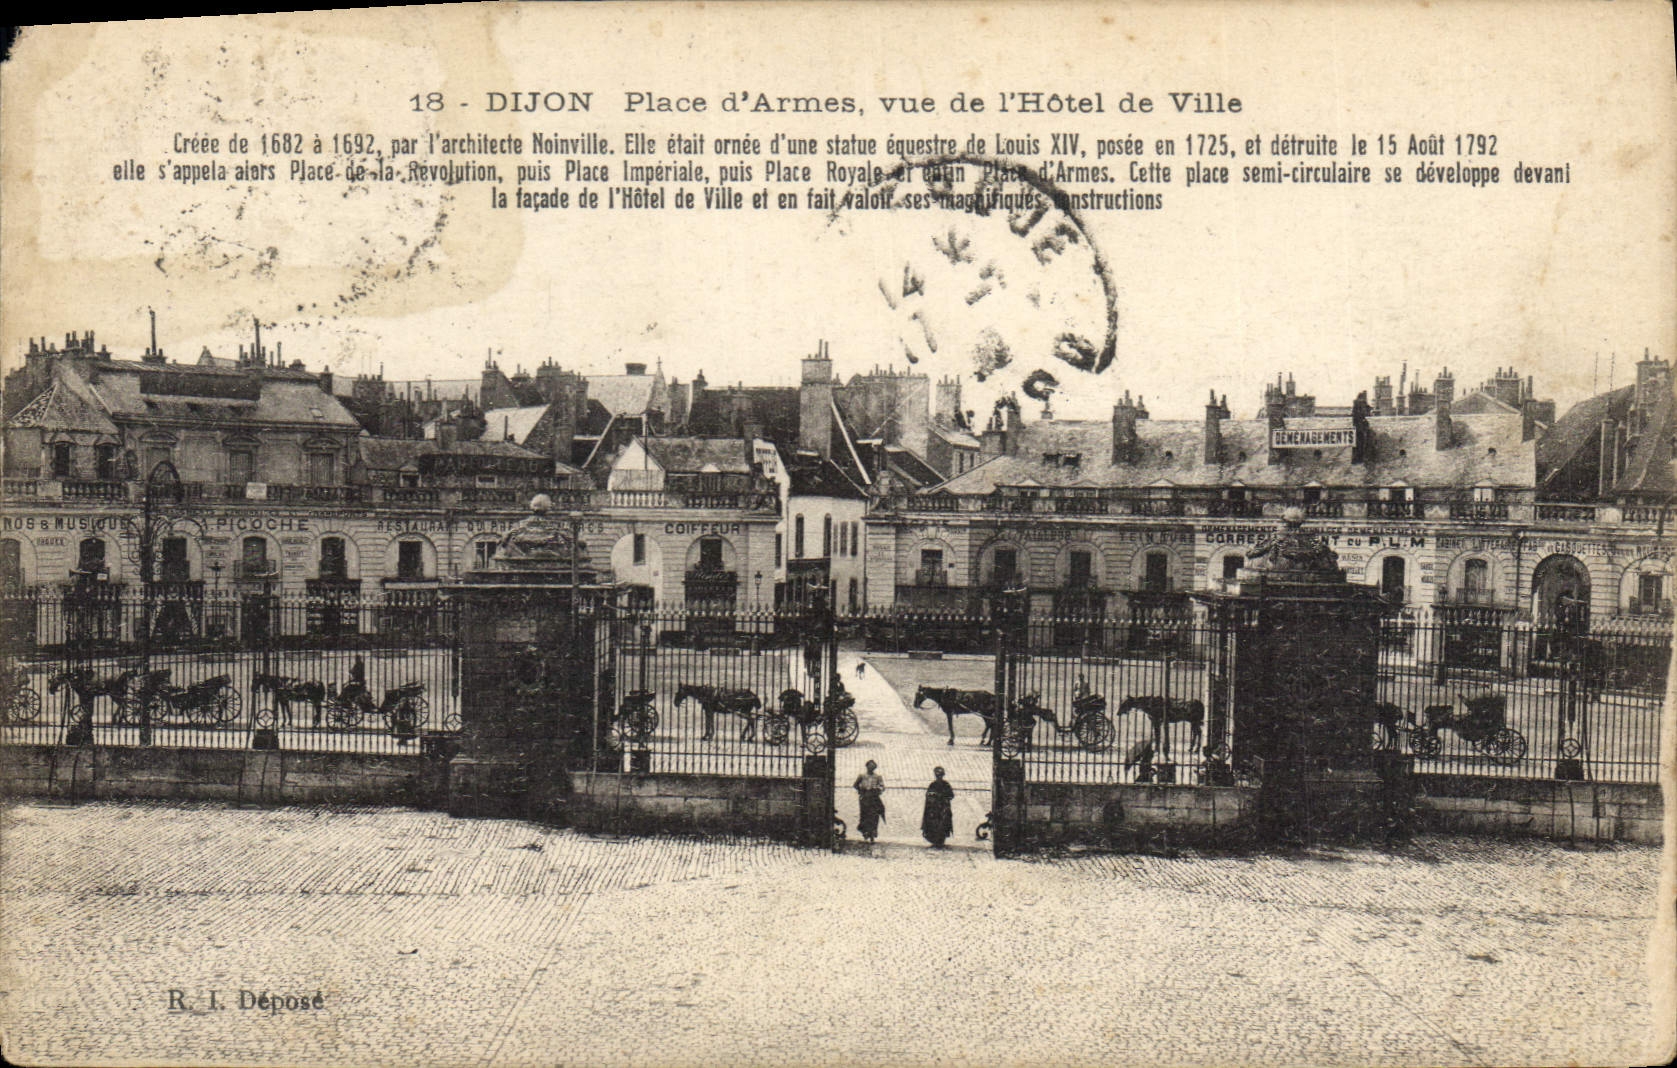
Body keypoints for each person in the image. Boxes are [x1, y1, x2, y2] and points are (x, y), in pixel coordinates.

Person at [921, 767, 954, 847]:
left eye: (940, 775)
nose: (939, 777)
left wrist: (943, 798)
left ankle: (940, 839)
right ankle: (936, 839)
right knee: (934, 824)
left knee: (942, 824)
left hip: (943, 809)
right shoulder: (933, 785)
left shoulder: (945, 785)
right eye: (938, 775)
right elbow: (928, 796)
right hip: (934, 810)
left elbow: (951, 795)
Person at [854, 759, 885, 843]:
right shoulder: (862, 776)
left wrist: (877, 789)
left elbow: (882, 787)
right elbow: (855, 785)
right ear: (866, 767)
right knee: (864, 815)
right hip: (864, 798)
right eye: (869, 767)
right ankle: (865, 831)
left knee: (874, 816)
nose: (871, 769)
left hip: (874, 799)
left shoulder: (878, 777)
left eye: (873, 767)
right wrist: (861, 790)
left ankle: (872, 833)